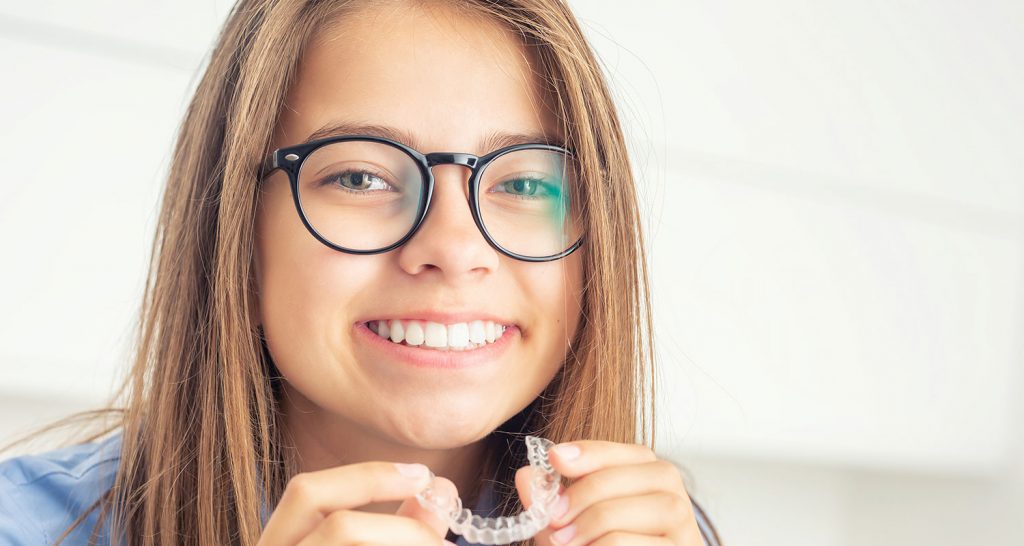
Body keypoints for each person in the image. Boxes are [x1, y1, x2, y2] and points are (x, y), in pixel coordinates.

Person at [0, 0, 722, 545]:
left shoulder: (656, 530)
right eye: (359, 178)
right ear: (236, 238)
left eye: (526, 184)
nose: (453, 247)